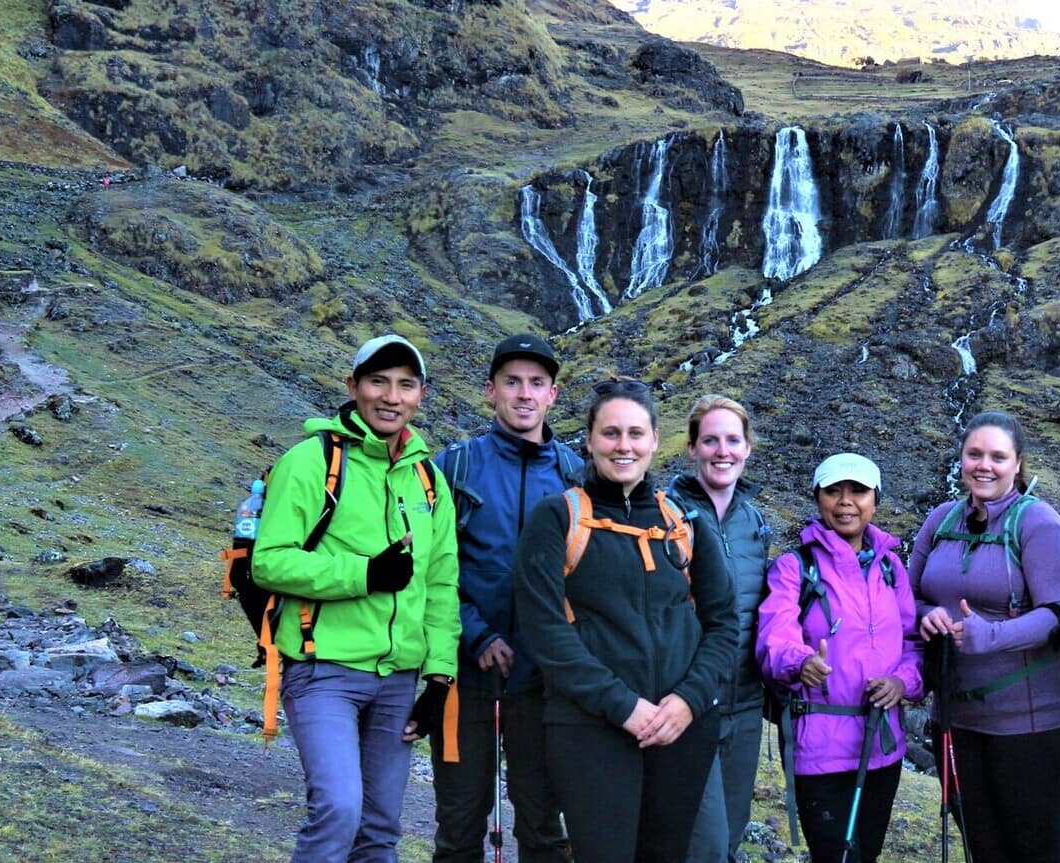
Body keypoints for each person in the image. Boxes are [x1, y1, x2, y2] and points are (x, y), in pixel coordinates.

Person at [250, 333, 461, 863]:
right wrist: (365, 574)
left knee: (380, 827)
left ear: (421, 395)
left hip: (398, 680)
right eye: (378, 382)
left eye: (405, 385)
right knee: (339, 809)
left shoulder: (428, 479)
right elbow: (268, 561)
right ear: (353, 387)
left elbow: (441, 584)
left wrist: (439, 678)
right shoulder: (309, 461)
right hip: (322, 670)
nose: (391, 396)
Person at [513, 379, 737, 863]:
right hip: (591, 729)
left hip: (682, 729)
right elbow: (547, 633)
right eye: (610, 433)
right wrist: (623, 706)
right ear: (590, 440)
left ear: (656, 439)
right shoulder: (556, 519)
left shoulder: (685, 522)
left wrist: (687, 701)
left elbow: (723, 624)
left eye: (636, 433)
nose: (624, 445)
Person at [429, 334, 580, 863]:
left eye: (536, 383)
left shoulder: (575, 476)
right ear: (489, 390)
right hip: (464, 678)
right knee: (459, 824)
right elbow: (431, 573)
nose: (524, 394)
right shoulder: (455, 467)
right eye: (512, 382)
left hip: (545, 682)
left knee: (543, 823)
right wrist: (477, 634)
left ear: (553, 395)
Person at [907, 411, 1060, 863]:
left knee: (1033, 851)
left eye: (998, 457)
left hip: (1031, 725)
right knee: (982, 849)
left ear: (1018, 464)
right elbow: (908, 597)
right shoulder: (941, 520)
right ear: (961, 458)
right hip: (957, 720)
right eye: (975, 454)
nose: (984, 465)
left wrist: (993, 636)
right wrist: (928, 617)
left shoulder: (1040, 524)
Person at [756, 453, 923, 863]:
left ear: (875, 500)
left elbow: (913, 642)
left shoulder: (891, 568)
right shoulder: (794, 569)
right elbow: (774, 637)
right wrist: (801, 662)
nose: (845, 501)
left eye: (858, 491)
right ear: (818, 498)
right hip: (819, 748)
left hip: (883, 745)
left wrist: (903, 682)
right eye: (833, 491)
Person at [665, 395, 772, 863]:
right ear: (691, 448)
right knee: (699, 843)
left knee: (727, 839)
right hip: (690, 703)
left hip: (745, 706)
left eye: (732, 440)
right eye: (710, 440)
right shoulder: (665, 514)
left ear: (748, 448)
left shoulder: (756, 522)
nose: (722, 451)